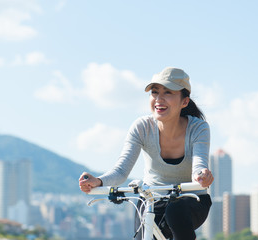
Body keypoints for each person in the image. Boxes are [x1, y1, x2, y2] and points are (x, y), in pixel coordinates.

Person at [79, 67, 214, 240]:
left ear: (184, 102)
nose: (159, 99)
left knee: (176, 210)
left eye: (168, 92)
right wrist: (98, 181)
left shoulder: (198, 128)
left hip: (191, 199)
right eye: (155, 92)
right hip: (152, 200)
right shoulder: (142, 127)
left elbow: (199, 165)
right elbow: (121, 171)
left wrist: (201, 176)